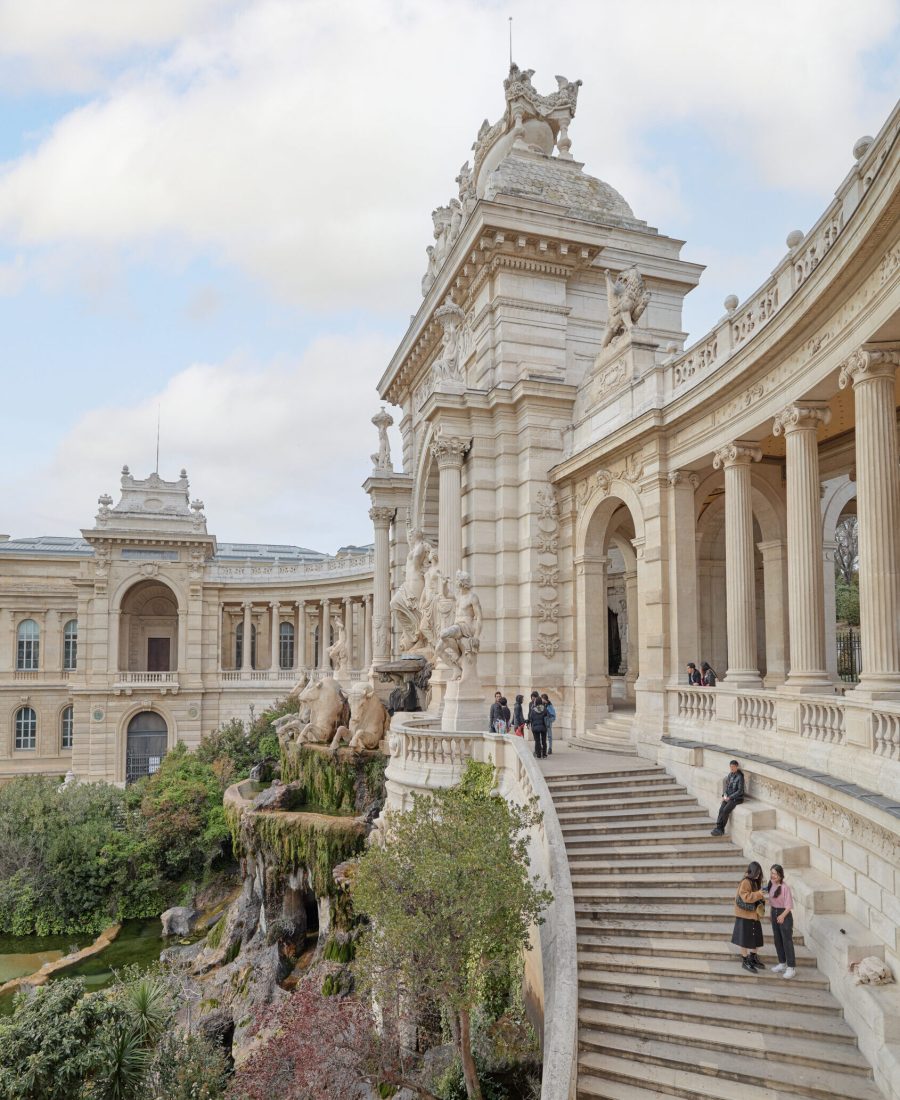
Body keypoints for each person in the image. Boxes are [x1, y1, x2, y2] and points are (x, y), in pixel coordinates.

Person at [732, 860, 766, 973]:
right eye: (756, 872)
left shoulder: (755, 881)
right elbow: (745, 897)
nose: (758, 875)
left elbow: (757, 896)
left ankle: (753, 957)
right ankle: (745, 960)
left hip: (753, 915)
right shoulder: (746, 882)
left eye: (759, 873)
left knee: (756, 937)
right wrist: (759, 894)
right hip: (744, 915)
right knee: (744, 938)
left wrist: (762, 897)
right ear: (751, 872)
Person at [764, 864, 796, 979]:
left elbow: (789, 906)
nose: (773, 876)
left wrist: (782, 916)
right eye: (771, 873)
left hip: (784, 915)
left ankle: (791, 967)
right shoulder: (771, 884)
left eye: (775, 874)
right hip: (774, 913)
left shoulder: (785, 887)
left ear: (780, 875)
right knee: (777, 940)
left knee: (787, 941)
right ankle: (782, 963)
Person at [711, 759, 745, 836]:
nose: (732, 768)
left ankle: (721, 829)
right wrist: (724, 795)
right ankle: (718, 827)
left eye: (733, 767)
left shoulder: (740, 777)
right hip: (729, 797)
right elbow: (727, 787)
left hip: (737, 798)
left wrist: (730, 797)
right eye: (730, 767)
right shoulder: (730, 775)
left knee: (726, 810)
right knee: (721, 809)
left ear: (737, 767)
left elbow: (740, 791)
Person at [527, 692, 548, 758]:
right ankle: (544, 754)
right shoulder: (544, 709)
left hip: (535, 727)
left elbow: (531, 718)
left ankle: (538, 754)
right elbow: (548, 716)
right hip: (543, 727)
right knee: (544, 741)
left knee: (537, 741)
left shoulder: (533, 710)